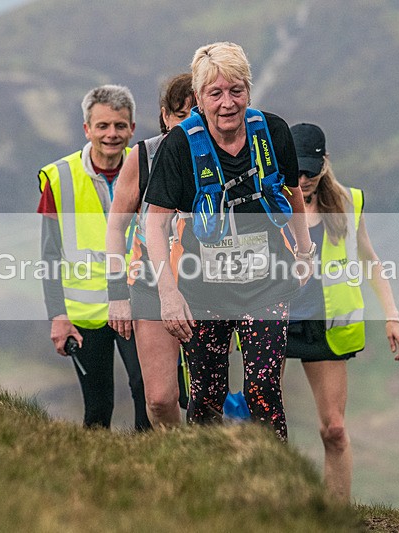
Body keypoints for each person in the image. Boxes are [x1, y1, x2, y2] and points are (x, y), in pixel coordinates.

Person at [143, 42, 314, 441]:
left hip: (267, 283)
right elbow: (155, 226)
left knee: (264, 388)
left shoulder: (272, 132)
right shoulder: (179, 147)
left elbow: (293, 194)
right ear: (199, 99)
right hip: (203, 291)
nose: (227, 103)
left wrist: (304, 252)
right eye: (215, 93)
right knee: (206, 398)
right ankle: (209, 487)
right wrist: (168, 294)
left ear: (248, 91)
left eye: (236, 90)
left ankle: (276, 486)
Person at [286, 122, 399, 501]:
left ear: (325, 163)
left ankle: (336, 517)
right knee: (262, 426)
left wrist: (392, 315)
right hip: (273, 323)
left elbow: (371, 261)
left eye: (309, 169)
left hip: (327, 328)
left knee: (334, 430)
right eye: (294, 170)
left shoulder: (349, 202)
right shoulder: (264, 202)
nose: (302, 178)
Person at [37, 84, 150, 431]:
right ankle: (95, 478)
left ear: (132, 128)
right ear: (87, 129)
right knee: (98, 407)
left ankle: (154, 470)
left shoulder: (149, 170)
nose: (111, 134)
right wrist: (58, 316)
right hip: (85, 314)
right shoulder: (59, 178)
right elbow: (49, 255)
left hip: (137, 305)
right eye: (102, 126)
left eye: (119, 125)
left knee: (147, 394)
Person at [106, 73, 196, 427]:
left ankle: (210, 465)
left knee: (207, 397)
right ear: (164, 115)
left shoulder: (221, 155)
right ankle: (175, 461)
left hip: (208, 286)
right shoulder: (143, 157)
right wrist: (117, 294)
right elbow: (116, 228)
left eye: (196, 114)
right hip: (148, 284)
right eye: (180, 115)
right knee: (159, 399)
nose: (188, 124)